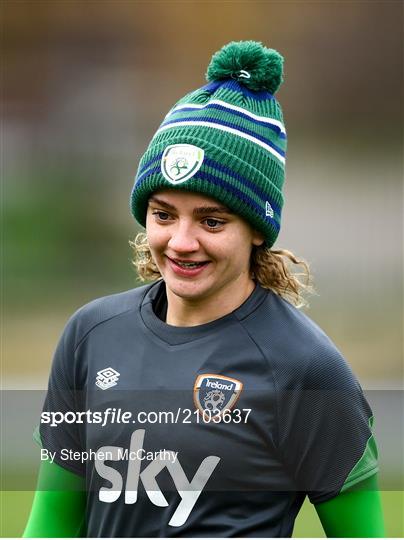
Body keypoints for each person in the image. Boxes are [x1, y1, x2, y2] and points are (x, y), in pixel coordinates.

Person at [24, 40, 385, 538]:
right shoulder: (91, 335)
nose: (181, 242)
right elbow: (49, 528)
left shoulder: (304, 369)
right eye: (163, 215)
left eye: (212, 221)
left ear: (257, 229)